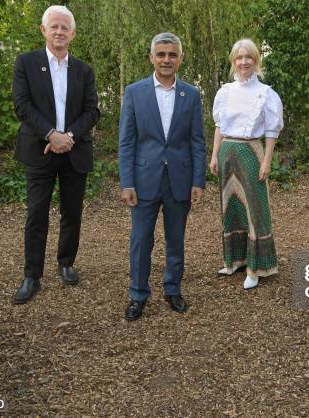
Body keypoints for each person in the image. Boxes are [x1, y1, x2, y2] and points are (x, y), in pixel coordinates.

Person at [12, 5, 99, 304]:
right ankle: (32, 275)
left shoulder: (84, 71)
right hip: (40, 149)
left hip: (74, 150)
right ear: (43, 30)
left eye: (65, 27)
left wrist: (68, 137)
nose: (59, 31)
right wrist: (51, 134)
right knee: (36, 214)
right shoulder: (26, 62)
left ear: (72, 33)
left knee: (71, 212)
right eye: (54, 26)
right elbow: (22, 105)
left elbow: (92, 110)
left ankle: (66, 263)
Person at [118, 32, 206, 320]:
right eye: (161, 54)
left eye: (172, 54)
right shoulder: (135, 92)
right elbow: (127, 141)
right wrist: (127, 182)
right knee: (141, 239)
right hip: (144, 180)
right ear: (151, 57)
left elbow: (197, 141)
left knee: (175, 239)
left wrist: (198, 181)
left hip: (179, 180)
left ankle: (173, 289)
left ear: (180, 59)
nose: (166, 59)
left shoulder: (191, 95)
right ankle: (138, 294)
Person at [209, 39, 283, 290]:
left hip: (251, 151)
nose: (243, 62)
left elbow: (272, 131)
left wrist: (266, 160)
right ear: (233, 61)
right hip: (227, 151)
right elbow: (219, 126)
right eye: (239, 58)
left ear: (255, 61)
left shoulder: (266, 94)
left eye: (248, 57)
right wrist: (214, 155)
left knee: (254, 208)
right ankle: (235, 261)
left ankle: (256, 266)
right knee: (230, 207)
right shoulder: (225, 92)